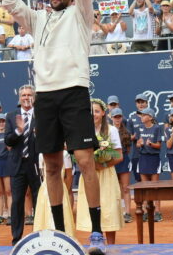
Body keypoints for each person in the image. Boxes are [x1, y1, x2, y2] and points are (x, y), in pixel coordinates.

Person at [2, 0, 106, 253]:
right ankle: (62, 233)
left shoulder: (81, 15)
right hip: (45, 96)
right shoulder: (37, 18)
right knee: (51, 165)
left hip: (74, 91)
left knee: (85, 160)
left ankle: (96, 232)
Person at [76, 99, 124, 244]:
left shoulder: (111, 130)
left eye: (96, 111)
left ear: (103, 113)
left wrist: (102, 164)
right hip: (88, 176)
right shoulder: (82, 130)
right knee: (91, 209)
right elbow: (76, 155)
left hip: (106, 176)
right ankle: (95, 243)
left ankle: (110, 246)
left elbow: (119, 156)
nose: (94, 114)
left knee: (108, 210)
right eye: (91, 112)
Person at [3, 85, 40, 244]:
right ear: (19, 98)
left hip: (36, 165)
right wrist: (19, 130)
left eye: (29, 95)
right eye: (23, 95)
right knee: (17, 201)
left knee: (39, 199)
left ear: (34, 97)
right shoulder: (11, 116)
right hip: (17, 164)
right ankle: (16, 238)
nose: (26, 97)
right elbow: (7, 140)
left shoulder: (41, 115)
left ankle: (40, 234)